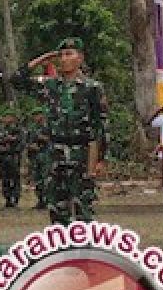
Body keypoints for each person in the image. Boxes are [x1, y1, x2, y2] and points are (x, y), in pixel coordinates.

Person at [12, 37, 108, 224]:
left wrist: (100, 159)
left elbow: (101, 125)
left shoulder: (92, 88)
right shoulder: (50, 85)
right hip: (55, 151)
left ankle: (84, 249)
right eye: (61, 55)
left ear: (80, 58)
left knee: (83, 207)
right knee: (57, 207)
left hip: (82, 151)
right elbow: (16, 80)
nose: (64, 59)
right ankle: (61, 249)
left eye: (69, 54)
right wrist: (43, 58)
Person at [0, 111, 25, 208]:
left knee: (15, 178)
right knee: (5, 178)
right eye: (5, 117)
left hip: (14, 156)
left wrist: (13, 141)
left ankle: (15, 198)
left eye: (9, 117)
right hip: (3, 156)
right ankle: (7, 199)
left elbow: (22, 143)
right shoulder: (0, 130)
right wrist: (0, 147)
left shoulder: (18, 130)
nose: (7, 119)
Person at [24, 110, 52, 209]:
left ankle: (48, 200)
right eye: (34, 116)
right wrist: (30, 146)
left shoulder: (49, 126)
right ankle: (40, 200)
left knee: (46, 178)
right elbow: (26, 141)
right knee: (37, 179)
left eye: (37, 115)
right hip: (35, 157)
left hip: (46, 155)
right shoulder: (32, 128)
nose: (35, 117)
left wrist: (43, 138)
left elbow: (53, 139)